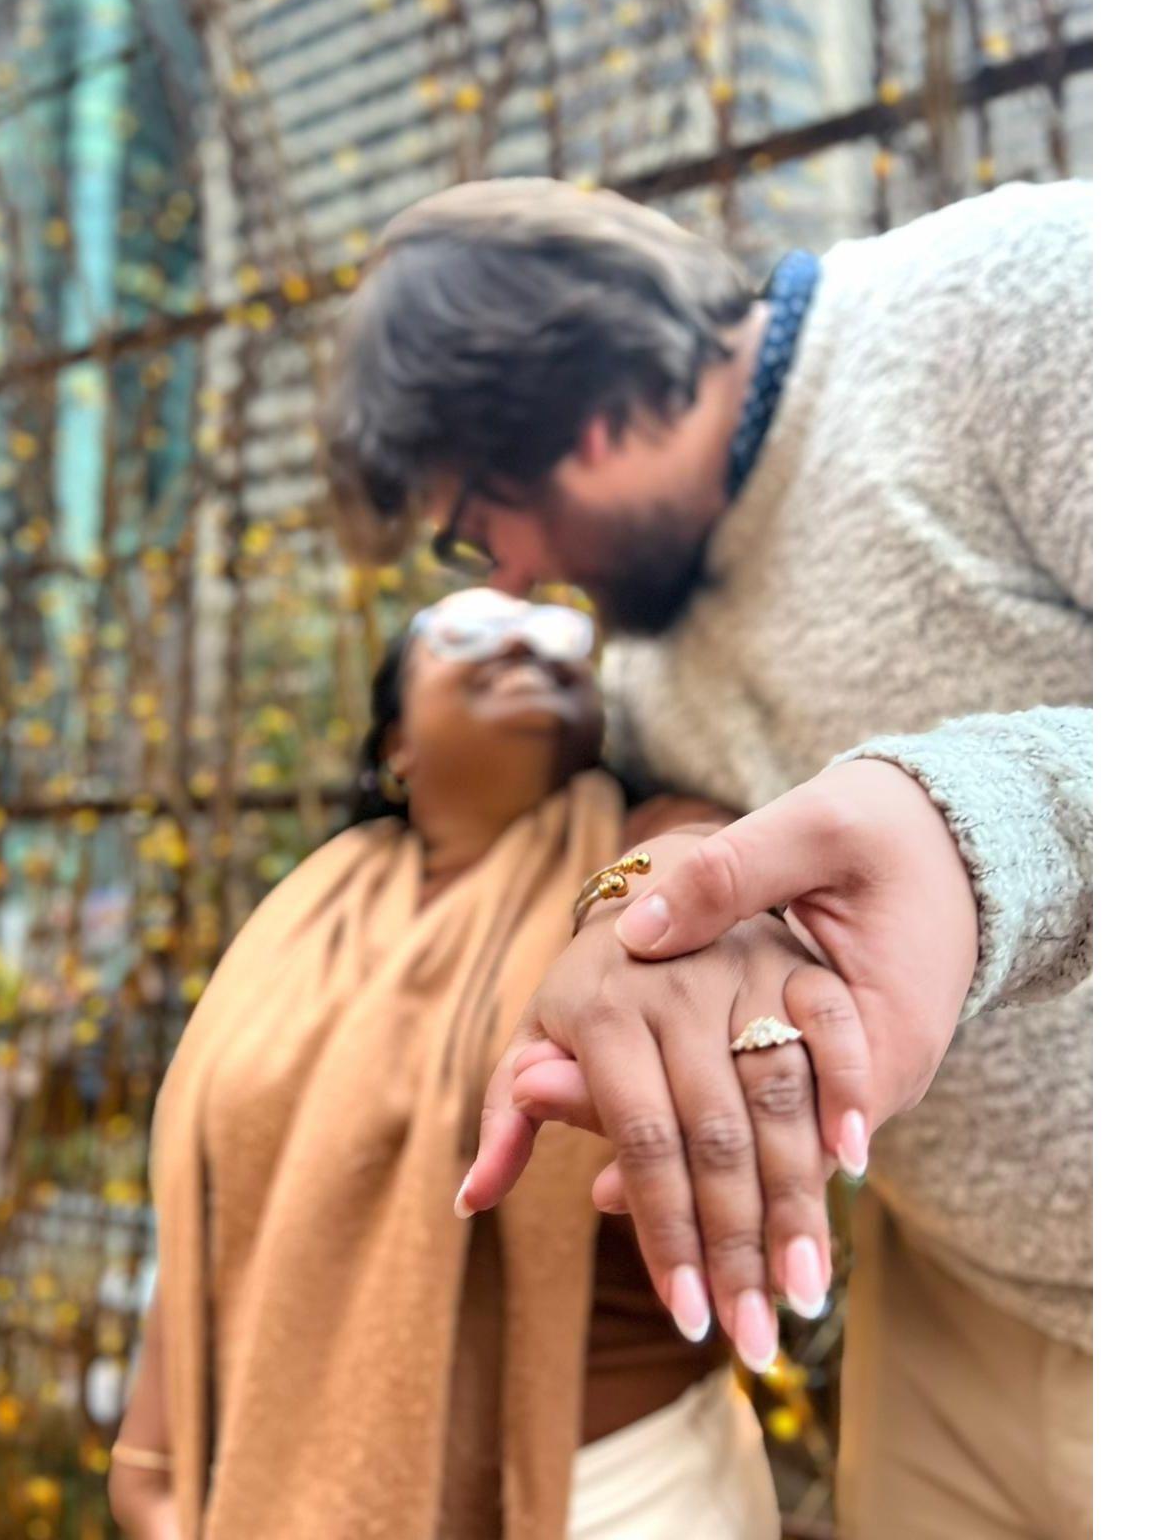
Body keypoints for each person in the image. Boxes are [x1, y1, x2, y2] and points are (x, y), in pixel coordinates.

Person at [323, 177, 1093, 1538]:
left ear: (578, 419)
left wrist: (972, 825)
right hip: (947, 1315)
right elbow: (641, 833)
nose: (505, 583)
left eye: (474, 530)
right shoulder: (637, 656)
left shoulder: (1021, 303)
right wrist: (648, 886)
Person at [107, 586, 793, 1540]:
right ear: (397, 742)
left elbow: (703, 868)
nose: (524, 646)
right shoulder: (307, 909)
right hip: (285, 1484)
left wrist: (654, 883)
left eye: (558, 636)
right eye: (467, 631)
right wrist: (150, 1460)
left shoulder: (643, 845)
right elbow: (220, 1182)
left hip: (614, 1491)